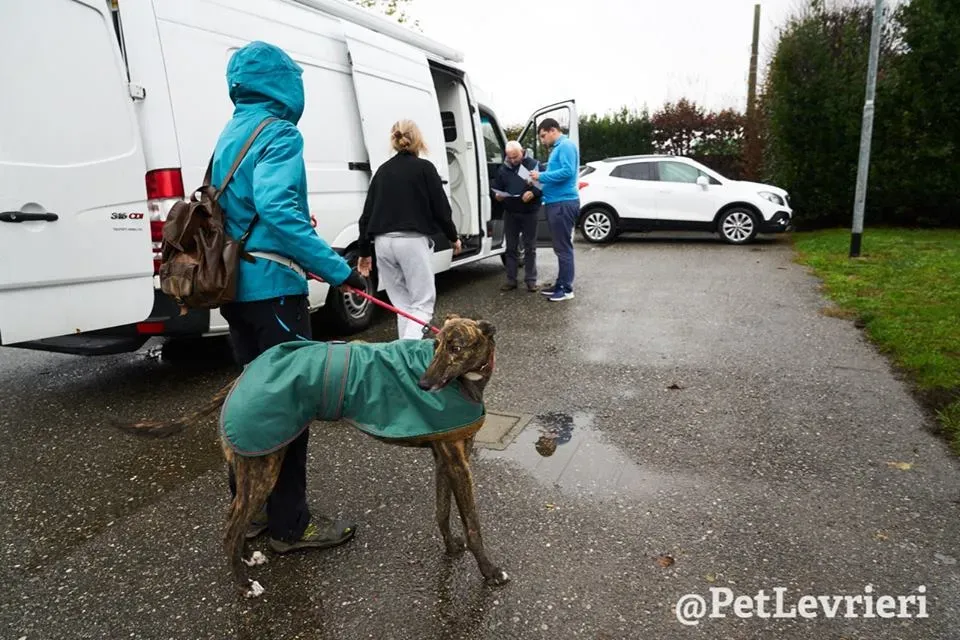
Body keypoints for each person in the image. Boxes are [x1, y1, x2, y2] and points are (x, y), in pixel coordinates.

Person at [212, 41, 367, 554]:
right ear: (283, 81)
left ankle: (250, 510)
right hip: (275, 293)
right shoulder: (278, 131)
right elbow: (277, 209)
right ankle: (289, 524)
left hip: (236, 290)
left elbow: (242, 211)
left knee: (251, 402)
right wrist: (340, 271)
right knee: (289, 405)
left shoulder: (231, 133)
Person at [356, 119, 462, 339]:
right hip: (412, 241)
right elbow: (441, 209)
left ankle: (401, 356)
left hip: (383, 244)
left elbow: (366, 215)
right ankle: (406, 354)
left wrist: (364, 251)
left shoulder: (382, 171)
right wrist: (453, 238)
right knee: (422, 305)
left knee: (402, 306)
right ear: (418, 139)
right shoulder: (425, 168)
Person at [529, 118, 580, 302]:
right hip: (556, 202)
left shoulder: (565, 146)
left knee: (563, 248)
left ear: (552, 130)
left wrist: (541, 176)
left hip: (562, 203)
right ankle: (560, 283)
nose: (543, 140)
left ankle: (566, 289)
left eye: (543, 136)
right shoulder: (559, 147)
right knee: (560, 248)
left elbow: (567, 171)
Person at [492, 140, 542, 292]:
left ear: (522, 151)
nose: (513, 160)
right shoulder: (503, 169)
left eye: (516, 157)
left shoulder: (533, 165)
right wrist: (497, 196)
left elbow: (543, 186)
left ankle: (531, 280)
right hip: (511, 212)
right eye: (510, 157)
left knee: (530, 247)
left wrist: (533, 193)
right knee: (511, 248)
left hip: (529, 212)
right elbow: (497, 188)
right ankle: (511, 280)